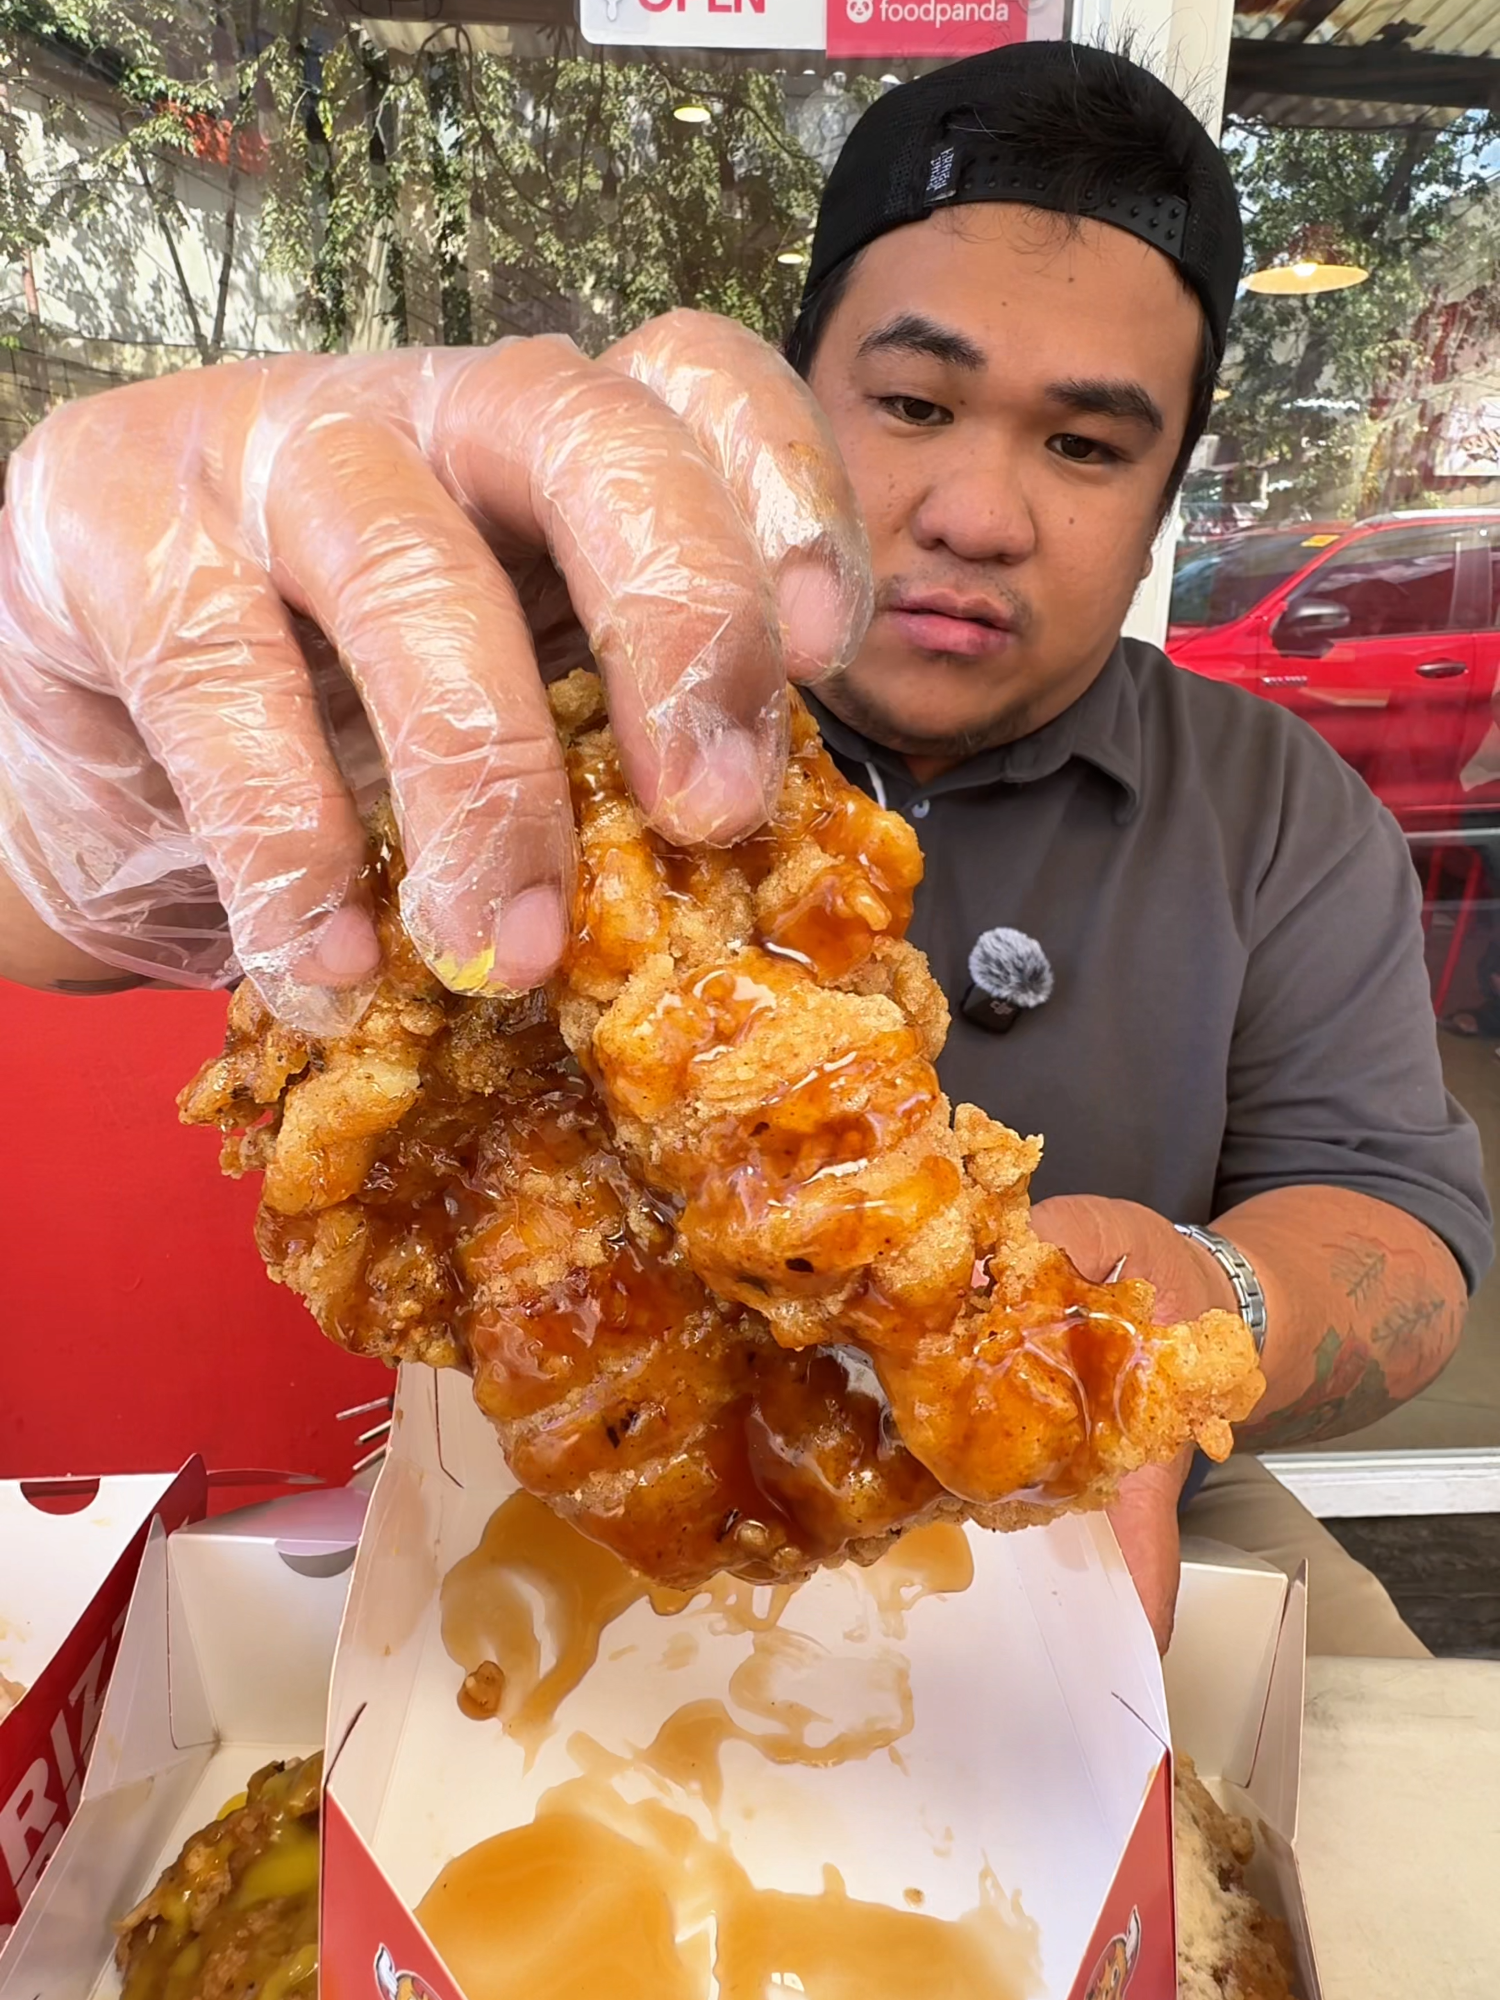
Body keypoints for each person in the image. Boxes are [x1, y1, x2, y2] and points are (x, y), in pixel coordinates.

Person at [0, 43, 1486, 1656]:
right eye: (913, 404)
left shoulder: (1275, 800)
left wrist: (1189, 1303)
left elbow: (1405, 1229)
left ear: (1163, 495)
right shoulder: (527, 705)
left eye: (1085, 446)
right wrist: (76, 728)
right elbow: (58, 925)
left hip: (1122, 1489)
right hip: (560, 1479)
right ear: (793, 402)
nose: (980, 512)